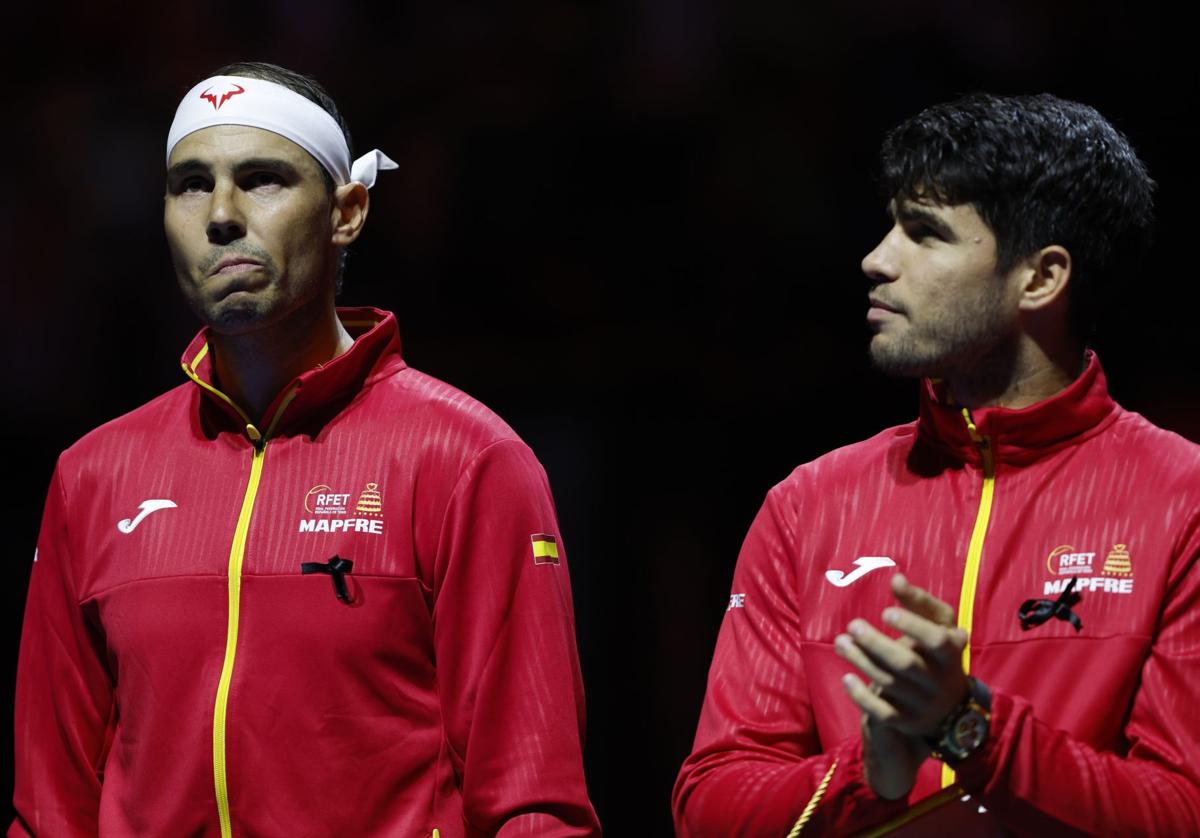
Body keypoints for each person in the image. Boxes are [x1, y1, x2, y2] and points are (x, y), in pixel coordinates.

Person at [11, 62, 600, 837]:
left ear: (347, 212)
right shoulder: (93, 475)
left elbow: (534, 807)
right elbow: (48, 812)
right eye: (191, 184)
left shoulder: (466, 461)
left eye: (261, 179)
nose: (220, 214)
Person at [674, 93, 1200, 835]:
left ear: (1041, 279)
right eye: (892, 224)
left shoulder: (1183, 502)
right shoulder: (808, 505)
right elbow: (711, 810)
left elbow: (1184, 810)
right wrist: (870, 770)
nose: (877, 260)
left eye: (925, 233)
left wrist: (971, 728)